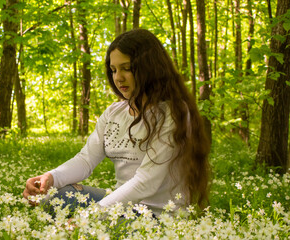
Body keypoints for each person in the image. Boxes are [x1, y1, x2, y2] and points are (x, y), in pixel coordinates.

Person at [23, 28, 210, 217]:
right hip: (122, 208)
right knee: (55, 196)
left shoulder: (173, 113)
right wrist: (51, 178)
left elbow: (146, 182)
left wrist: (91, 217)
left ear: (150, 67)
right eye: (113, 70)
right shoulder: (114, 113)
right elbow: (86, 160)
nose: (118, 77)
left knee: (95, 226)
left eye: (127, 68)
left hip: (159, 216)